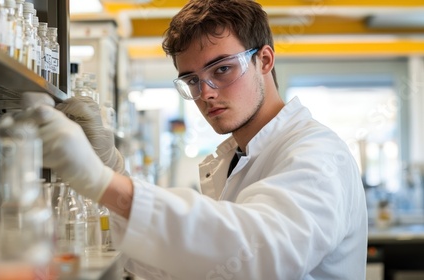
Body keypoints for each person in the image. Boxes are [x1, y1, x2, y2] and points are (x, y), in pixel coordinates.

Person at [31, 0, 368, 278]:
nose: (205, 92)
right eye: (191, 80)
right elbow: (198, 262)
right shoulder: (238, 156)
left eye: (222, 69)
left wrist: (102, 181)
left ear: (264, 60)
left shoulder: (317, 154)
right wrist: (113, 170)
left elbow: (259, 255)